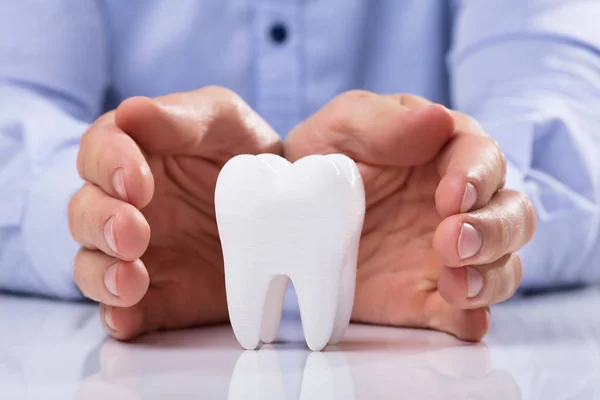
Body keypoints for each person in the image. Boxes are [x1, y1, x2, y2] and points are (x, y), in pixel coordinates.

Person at [0, 1, 597, 342]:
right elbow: (14, 93)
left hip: (403, 242)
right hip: (168, 238)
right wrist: (99, 203)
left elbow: (559, 87)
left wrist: (474, 203)